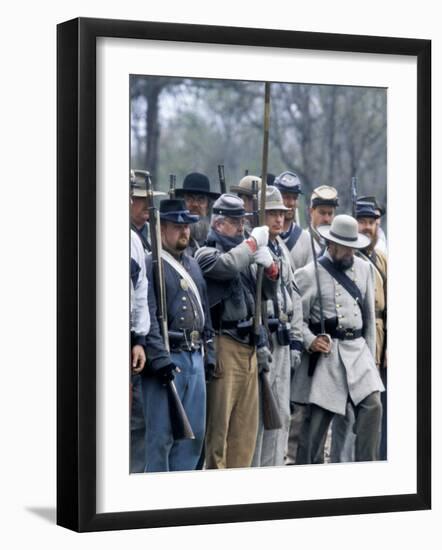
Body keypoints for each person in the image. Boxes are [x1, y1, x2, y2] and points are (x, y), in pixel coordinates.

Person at [293, 214, 384, 464]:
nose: (349, 253)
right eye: (345, 247)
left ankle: (368, 468)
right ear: (330, 244)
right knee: (314, 432)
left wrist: (371, 361)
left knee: (373, 406)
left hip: (358, 354)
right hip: (327, 359)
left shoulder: (365, 269)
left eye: (353, 247)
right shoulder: (309, 273)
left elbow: (367, 319)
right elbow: (295, 319)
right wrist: (311, 340)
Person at [195, 194, 277, 468]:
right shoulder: (206, 253)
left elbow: (265, 295)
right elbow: (227, 266)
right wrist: (253, 244)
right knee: (218, 435)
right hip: (224, 346)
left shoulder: (245, 254)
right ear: (218, 224)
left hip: (249, 348)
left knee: (245, 436)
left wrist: (271, 268)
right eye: (235, 222)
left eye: (242, 221)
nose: (241, 227)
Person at [141, 199, 215, 472]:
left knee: (193, 437)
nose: (184, 232)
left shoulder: (193, 266)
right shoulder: (151, 264)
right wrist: (159, 358)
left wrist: (210, 353)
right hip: (167, 360)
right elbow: (145, 315)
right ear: (161, 230)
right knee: (161, 439)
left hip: (194, 357)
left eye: (186, 226)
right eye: (176, 227)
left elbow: (205, 315)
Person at [252, 186, 303, 467]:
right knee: (261, 418)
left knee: (281, 413)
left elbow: (294, 297)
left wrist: (295, 340)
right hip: (265, 338)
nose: (279, 220)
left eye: (281, 214)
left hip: (283, 340)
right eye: (272, 213)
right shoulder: (255, 246)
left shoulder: (281, 248)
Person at [356, 200, 388, 460]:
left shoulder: (383, 259)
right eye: (362, 221)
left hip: (381, 341)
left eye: (371, 222)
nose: (367, 227)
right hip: (356, 341)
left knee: (380, 410)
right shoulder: (348, 256)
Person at [175, 172, 220, 255]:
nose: (195, 204)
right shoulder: (173, 239)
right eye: (190, 199)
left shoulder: (216, 239)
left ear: (208, 207)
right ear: (182, 203)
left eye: (201, 199)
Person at [308, 185, 339, 257]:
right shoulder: (302, 240)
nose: (326, 219)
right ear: (311, 212)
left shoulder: (338, 244)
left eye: (330, 213)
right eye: (322, 213)